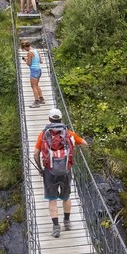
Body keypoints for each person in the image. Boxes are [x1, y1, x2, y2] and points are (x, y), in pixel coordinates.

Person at [34, 108, 87, 237]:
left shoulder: (43, 134)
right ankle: (67, 222)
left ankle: (56, 227)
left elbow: (36, 154)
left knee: (52, 200)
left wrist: (41, 169)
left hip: (49, 171)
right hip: (65, 170)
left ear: (49, 119)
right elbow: (85, 143)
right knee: (66, 197)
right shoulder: (68, 133)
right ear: (61, 118)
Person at [21, 40, 44, 106]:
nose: (25, 50)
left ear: (25, 47)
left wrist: (25, 60)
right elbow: (41, 61)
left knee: (33, 86)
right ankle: (41, 99)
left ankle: (36, 102)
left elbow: (29, 64)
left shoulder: (29, 52)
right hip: (39, 69)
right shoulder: (36, 50)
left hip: (34, 70)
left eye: (24, 49)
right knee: (36, 85)